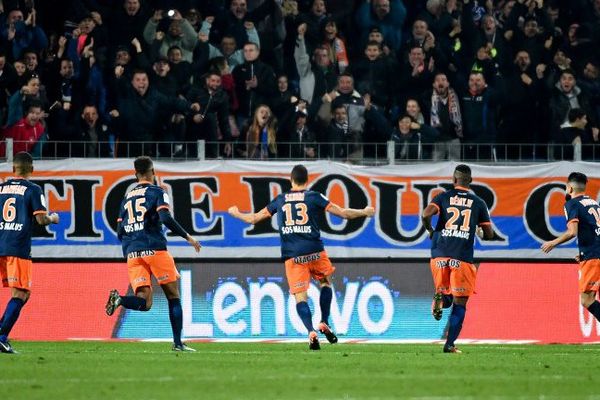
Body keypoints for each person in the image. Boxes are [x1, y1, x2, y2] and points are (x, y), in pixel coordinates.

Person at [228, 164, 375, 350]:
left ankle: (310, 331)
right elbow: (344, 214)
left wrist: (236, 213)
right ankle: (324, 321)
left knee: (301, 298)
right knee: (325, 283)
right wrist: (364, 212)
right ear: (307, 180)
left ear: (291, 180)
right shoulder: (314, 197)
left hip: (293, 255)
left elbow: (254, 219)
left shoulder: (280, 200)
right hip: (315, 250)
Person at [105, 156, 201, 352]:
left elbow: (119, 230)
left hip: (132, 252)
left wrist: (132, 245)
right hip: (154, 248)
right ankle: (178, 343)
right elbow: (165, 217)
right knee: (173, 296)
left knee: (145, 301)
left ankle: (120, 300)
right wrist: (188, 237)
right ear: (153, 172)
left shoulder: (126, 198)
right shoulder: (158, 191)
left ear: (135, 174)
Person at [421, 164, 493, 353]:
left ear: (453, 180)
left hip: (439, 255)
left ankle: (439, 299)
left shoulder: (442, 197)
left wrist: (430, 230)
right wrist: (478, 230)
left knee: (447, 297)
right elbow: (490, 234)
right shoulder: (478, 202)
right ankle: (449, 344)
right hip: (461, 257)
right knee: (459, 303)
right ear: (470, 181)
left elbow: (425, 214)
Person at [0, 152, 59, 353]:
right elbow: (41, 220)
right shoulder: (33, 189)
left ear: (13, 169)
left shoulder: (1, 188)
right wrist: (52, 218)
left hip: (1, 244)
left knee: (19, 293)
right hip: (17, 246)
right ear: (32, 169)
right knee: (22, 293)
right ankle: (1, 336)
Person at [541, 172, 600, 325]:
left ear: (569, 188)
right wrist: (584, 252)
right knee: (591, 299)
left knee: (587, 300)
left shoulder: (572, 204)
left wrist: (552, 243)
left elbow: (572, 232)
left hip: (594, 257)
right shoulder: (593, 203)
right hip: (593, 253)